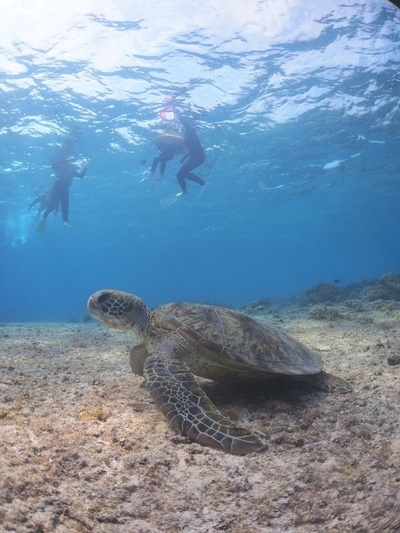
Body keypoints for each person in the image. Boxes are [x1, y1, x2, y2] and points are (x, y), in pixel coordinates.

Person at [36, 131, 87, 233]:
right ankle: (45, 217)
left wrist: (85, 168)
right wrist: (61, 159)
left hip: (65, 189)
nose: (71, 163)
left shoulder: (72, 170)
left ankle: (65, 221)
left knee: (65, 205)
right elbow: (53, 164)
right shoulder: (60, 166)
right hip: (57, 186)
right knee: (54, 204)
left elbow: (81, 176)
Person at [176, 112, 206, 195]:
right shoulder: (185, 138)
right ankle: (186, 191)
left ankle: (202, 183)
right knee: (181, 175)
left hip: (198, 156)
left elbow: (187, 126)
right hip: (195, 156)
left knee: (179, 174)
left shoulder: (191, 132)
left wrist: (179, 117)